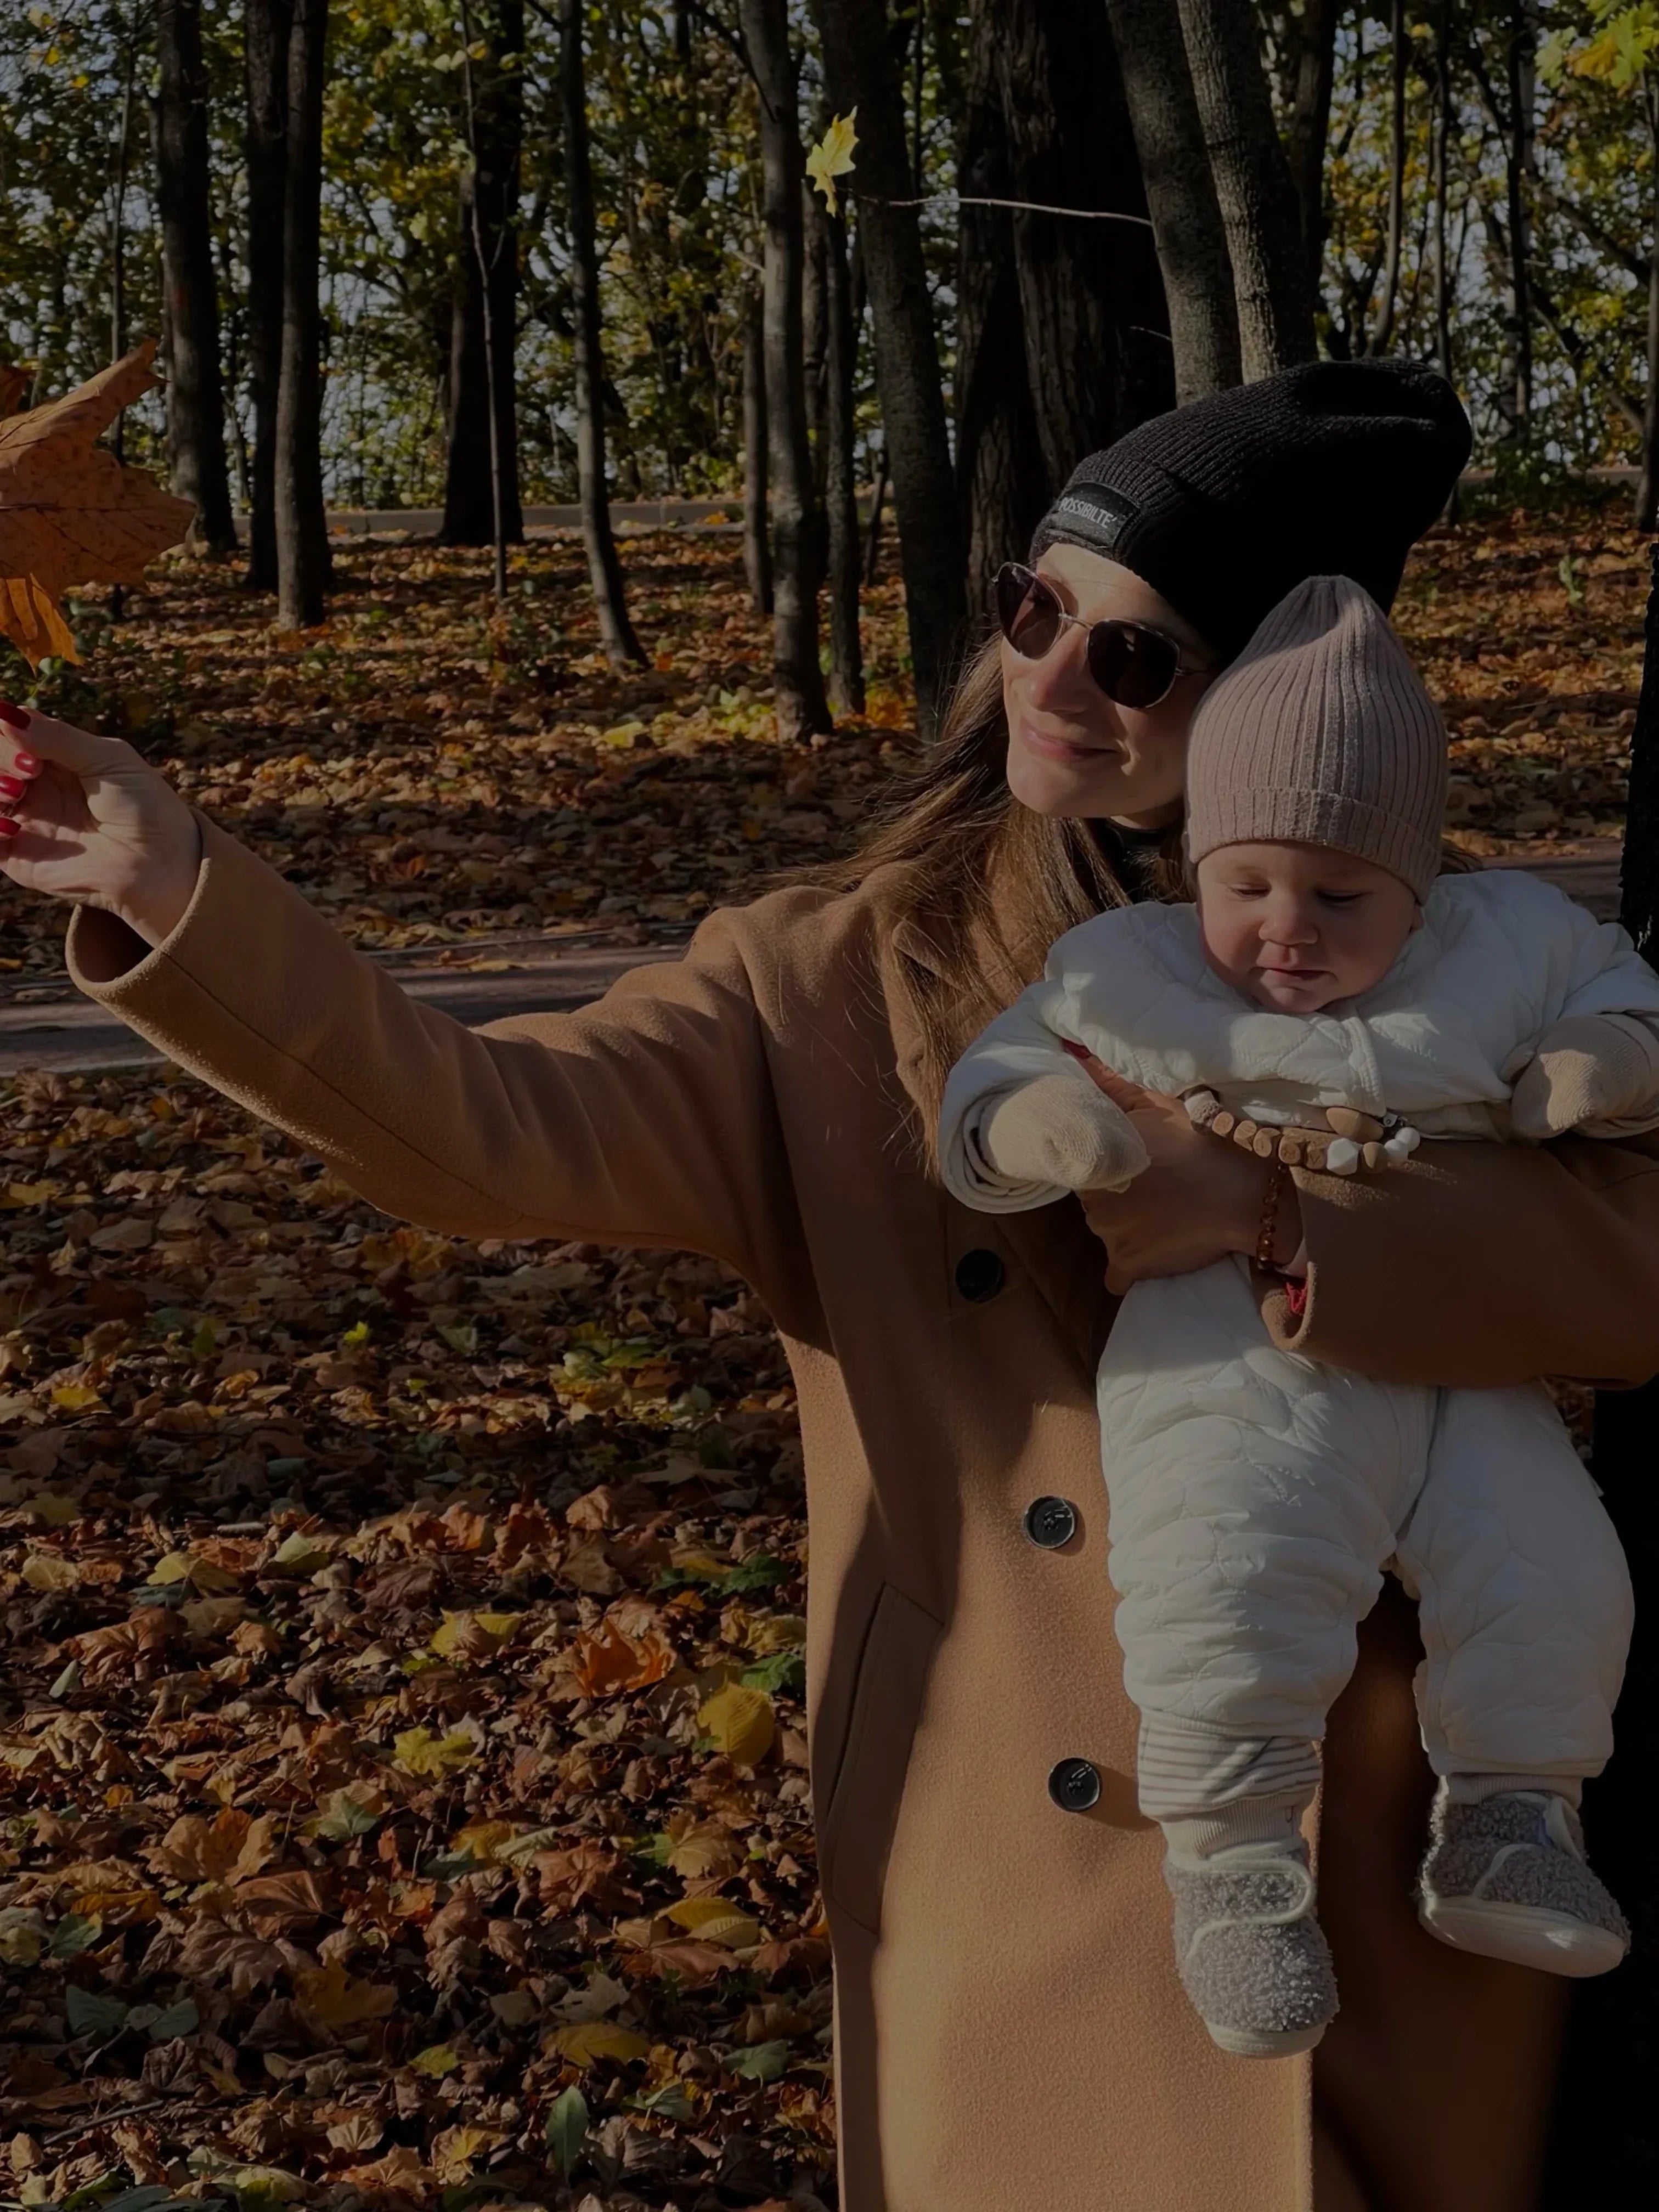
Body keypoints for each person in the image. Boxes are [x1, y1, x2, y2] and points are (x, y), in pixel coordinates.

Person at [5, 361, 1659, 2210]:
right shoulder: (829, 981)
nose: (1048, 675)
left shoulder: (1459, 966)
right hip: (1013, 1865)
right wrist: (182, 893)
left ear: (1271, 695)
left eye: (1134, 654)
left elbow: (1634, 1258)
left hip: (1379, 1840)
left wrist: (1283, 1222)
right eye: (1037, 607)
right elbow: (488, 1126)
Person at [941, 573, 1659, 2060]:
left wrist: (1602, 1059)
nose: (1283, 930)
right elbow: (1009, 1068)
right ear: (1195, 862)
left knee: (1552, 1563)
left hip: (1462, 1358)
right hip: (1228, 1353)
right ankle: (1234, 1868)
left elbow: (1616, 989)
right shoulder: (1134, 970)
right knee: (1223, 1574)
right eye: (1245, 885)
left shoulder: (1500, 945)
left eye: (1341, 897)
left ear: (1419, 882)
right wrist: (1042, 1130)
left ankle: (1514, 1817)